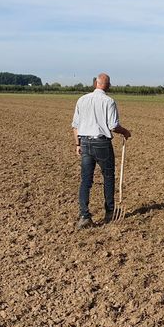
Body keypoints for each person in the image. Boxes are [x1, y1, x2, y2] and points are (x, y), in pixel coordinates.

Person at [72, 73, 131, 229]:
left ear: (95, 84)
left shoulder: (82, 100)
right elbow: (113, 126)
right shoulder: (109, 101)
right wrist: (125, 132)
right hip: (101, 143)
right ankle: (110, 211)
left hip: (85, 142)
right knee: (108, 177)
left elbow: (75, 125)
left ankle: (84, 215)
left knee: (86, 180)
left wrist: (77, 144)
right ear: (108, 85)